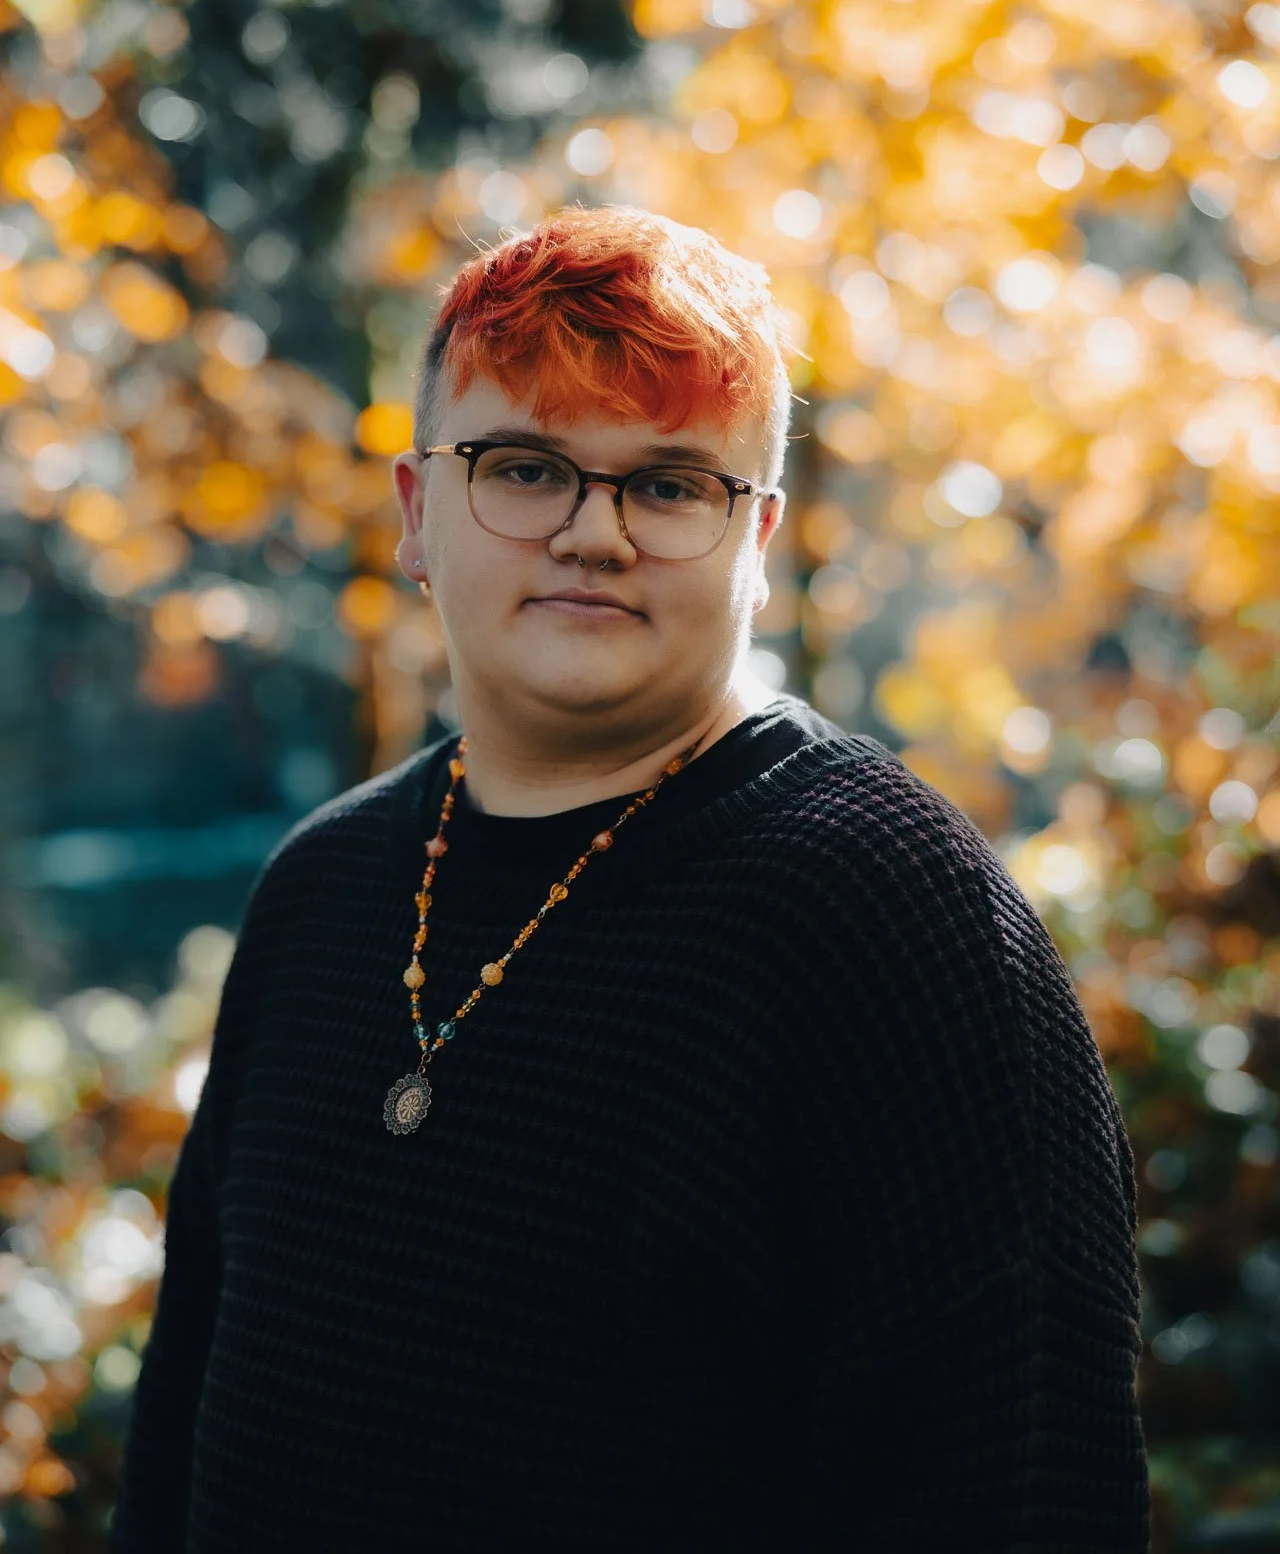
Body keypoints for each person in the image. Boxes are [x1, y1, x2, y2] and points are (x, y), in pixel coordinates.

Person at [110, 205, 1151, 1551]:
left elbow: (1023, 1496)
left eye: (668, 486)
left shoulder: (892, 913)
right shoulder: (321, 890)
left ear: (757, 540)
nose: (593, 535)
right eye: (525, 468)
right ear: (418, 513)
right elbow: (176, 1446)